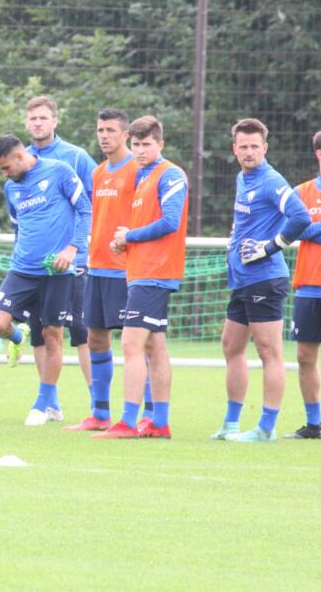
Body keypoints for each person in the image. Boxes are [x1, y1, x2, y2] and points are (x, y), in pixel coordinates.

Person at [213, 118, 311, 442]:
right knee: (231, 346)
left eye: (255, 146)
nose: (249, 151)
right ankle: (230, 423)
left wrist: (270, 247)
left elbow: (300, 217)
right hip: (243, 279)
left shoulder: (270, 180)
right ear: (235, 149)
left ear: (265, 148)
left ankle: (266, 428)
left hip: (266, 279)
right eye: (243, 146)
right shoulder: (243, 178)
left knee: (269, 351)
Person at [0, 134, 91, 426]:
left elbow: (85, 209)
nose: (4, 175)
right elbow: (18, 227)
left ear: (20, 157)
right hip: (22, 269)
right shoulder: (11, 188)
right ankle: (16, 338)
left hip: (58, 272)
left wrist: (72, 248)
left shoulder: (59, 171)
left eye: (6, 168)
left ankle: (44, 402)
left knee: (51, 335)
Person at [94, 116, 188, 439]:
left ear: (160, 144)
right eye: (136, 145)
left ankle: (128, 421)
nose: (141, 150)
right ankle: (160, 422)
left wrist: (130, 235)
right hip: (142, 271)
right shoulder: (142, 176)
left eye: (147, 144)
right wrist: (124, 243)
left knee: (131, 344)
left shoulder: (170, 174)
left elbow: (170, 222)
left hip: (155, 273)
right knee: (155, 347)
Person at [65, 109, 143, 430]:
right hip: (96, 267)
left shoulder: (138, 170)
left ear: (125, 135)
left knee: (138, 343)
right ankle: (99, 414)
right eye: (100, 130)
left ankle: (147, 415)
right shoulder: (98, 173)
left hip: (126, 270)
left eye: (110, 130)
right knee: (95, 338)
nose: (104, 135)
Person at [24, 96, 96, 415]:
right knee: (41, 332)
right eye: (33, 119)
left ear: (55, 121)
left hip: (73, 263)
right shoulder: (21, 159)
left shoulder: (76, 157)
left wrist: (83, 244)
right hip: (34, 266)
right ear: (26, 123)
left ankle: (99, 403)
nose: (38, 123)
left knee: (81, 331)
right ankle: (49, 402)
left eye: (43, 118)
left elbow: (97, 199)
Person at [285, 129, 321, 440]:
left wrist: (309, 228)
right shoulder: (301, 191)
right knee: (304, 357)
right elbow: (289, 228)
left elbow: (303, 228)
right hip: (308, 287)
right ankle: (313, 425)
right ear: (320, 153)